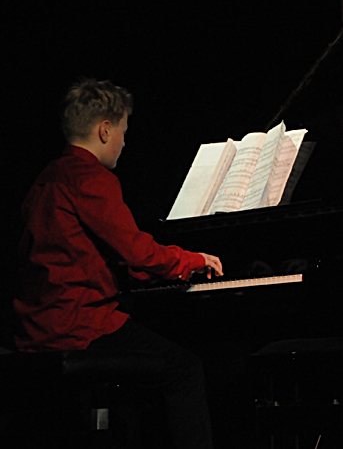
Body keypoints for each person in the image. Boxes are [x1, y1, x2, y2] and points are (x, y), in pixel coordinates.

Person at [13, 78, 222, 449]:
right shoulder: (90, 177)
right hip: (80, 326)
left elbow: (92, 253)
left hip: (38, 325)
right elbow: (138, 251)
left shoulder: (46, 178)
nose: (125, 142)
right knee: (185, 368)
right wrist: (193, 260)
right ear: (105, 130)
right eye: (123, 131)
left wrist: (148, 271)